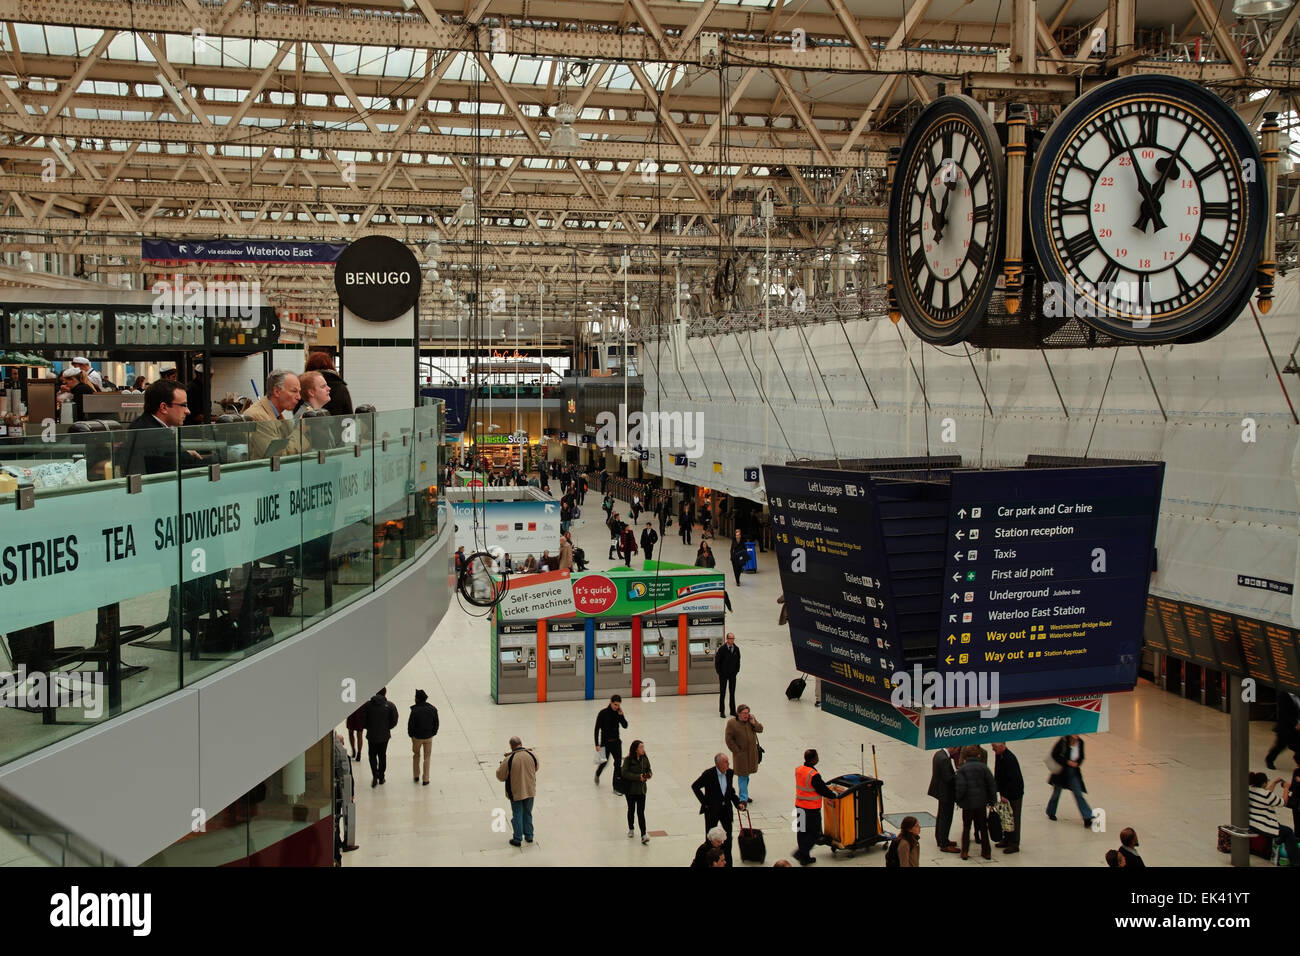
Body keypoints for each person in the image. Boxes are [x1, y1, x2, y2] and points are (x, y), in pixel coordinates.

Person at [120, 379, 203, 474]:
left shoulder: (140, 423)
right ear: (163, 407)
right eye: (183, 405)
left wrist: (185, 453)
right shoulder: (158, 435)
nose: (187, 411)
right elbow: (190, 463)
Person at [691, 753, 744, 867]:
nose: (728, 764)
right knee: (710, 839)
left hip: (726, 811)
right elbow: (695, 786)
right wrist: (705, 803)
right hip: (712, 811)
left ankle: (727, 863)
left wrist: (737, 803)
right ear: (719, 764)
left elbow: (730, 791)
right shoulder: (708, 774)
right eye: (726, 762)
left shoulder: (729, 773)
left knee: (728, 839)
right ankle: (710, 862)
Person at [243, 369, 305, 458]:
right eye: (294, 391)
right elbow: (278, 456)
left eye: (299, 392)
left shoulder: (277, 414)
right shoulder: (258, 417)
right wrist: (301, 430)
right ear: (277, 392)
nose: (299, 397)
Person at [793, 748, 839, 865]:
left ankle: (805, 858)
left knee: (802, 832)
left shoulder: (799, 770)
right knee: (814, 833)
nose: (818, 758)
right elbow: (822, 789)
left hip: (799, 806)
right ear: (813, 760)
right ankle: (801, 852)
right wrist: (833, 795)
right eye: (817, 756)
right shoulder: (814, 775)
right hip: (811, 809)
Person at [954, 744, 996, 860]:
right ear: (978, 755)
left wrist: (958, 800)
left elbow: (960, 787)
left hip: (967, 805)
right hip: (981, 803)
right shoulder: (984, 768)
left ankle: (965, 851)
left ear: (965, 756)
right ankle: (986, 852)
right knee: (983, 827)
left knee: (966, 828)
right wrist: (992, 801)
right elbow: (991, 785)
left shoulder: (962, 769)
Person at [495, 736, 539, 846]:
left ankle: (517, 838)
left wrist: (502, 765)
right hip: (529, 790)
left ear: (511, 746)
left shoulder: (509, 759)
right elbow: (536, 767)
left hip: (516, 792)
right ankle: (529, 836)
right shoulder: (532, 755)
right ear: (521, 743)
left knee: (517, 814)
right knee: (528, 812)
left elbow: (500, 776)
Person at [1249, 770, 1300, 864]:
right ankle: (1296, 861)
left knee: (1282, 830)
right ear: (1264, 783)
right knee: (1288, 831)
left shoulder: (1251, 790)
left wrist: (1275, 782)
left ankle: (1279, 842)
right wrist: (1286, 788)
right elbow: (1283, 802)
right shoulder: (1267, 795)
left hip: (1251, 823)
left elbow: (1267, 793)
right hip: (1263, 826)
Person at [1046, 734, 1094, 827]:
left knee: (1078, 794)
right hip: (1061, 772)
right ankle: (1050, 811)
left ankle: (1087, 817)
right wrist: (1067, 761)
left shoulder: (1080, 742)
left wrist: (1077, 763)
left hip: (1073, 772)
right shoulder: (1063, 741)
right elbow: (1054, 754)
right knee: (1056, 793)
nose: (1077, 735)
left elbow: (1082, 757)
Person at [725, 704, 764, 804]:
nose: (746, 715)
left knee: (746, 776)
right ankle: (743, 798)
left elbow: (760, 729)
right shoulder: (732, 723)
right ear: (738, 714)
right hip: (741, 756)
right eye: (744, 713)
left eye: (747, 713)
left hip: (751, 755)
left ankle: (744, 794)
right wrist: (737, 751)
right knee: (742, 776)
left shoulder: (750, 721)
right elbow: (728, 739)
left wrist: (754, 722)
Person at [363, 687, 398, 788]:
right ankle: (381, 777)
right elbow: (394, 720)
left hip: (372, 735)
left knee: (372, 755)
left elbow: (363, 720)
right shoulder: (390, 705)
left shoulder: (368, 705)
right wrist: (387, 728)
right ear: (385, 693)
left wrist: (369, 727)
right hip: (384, 736)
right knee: (382, 755)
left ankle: (375, 775)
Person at [992, 741, 1024, 854]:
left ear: (1002, 746)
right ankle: (1006, 839)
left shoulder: (1010, 759)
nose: (993, 750)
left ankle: (1014, 843)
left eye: (995, 747)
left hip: (1014, 794)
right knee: (1005, 817)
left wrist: (1006, 794)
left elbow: (1014, 780)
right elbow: (998, 774)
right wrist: (998, 791)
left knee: (1014, 818)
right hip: (1005, 792)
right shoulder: (999, 755)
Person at [927, 747, 961, 853]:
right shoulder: (945, 759)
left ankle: (941, 839)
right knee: (946, 818)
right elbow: (949, 778)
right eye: (957, 750)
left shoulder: (939, 754)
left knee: (941, 816)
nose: (957, 753)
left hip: (940, 790)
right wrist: (959, 774)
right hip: (945, 792)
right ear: (953, 748)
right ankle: (944, 844)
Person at [332, 733, 359, 858]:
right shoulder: (344, 758)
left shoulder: (335, 758)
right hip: (341, 793)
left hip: (339, 792)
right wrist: (351, 794)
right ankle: (341, 844)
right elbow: (349, 777)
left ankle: (340, 843)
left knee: (337, 819)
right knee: (338, 820)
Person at [621, 740, 653, 844]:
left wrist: (648, 775)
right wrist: (637, 777)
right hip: (630, 790)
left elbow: (649, 770)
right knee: (631, 809)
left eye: (643, 747)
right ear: (636, 749)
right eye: (641, 747)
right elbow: (624, 773)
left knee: (641, 812)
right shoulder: (628, 760)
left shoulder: (645, 760)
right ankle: (631, 828)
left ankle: (643, 834)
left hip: (641, 790)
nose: (643, 749)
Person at [594, 694, 628, 788]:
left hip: (616, 742)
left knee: (618, 763)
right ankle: (597, 773)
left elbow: (625, 725)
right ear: (611, 703)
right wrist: (597, 744)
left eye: (618, 705)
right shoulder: (603, 713)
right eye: (615, 705)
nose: (617, 707)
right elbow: (596, 729)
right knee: (603, 762)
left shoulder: (618, 713)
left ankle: (616, 786)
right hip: (605, 743)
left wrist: (621, 716)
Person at [305, 351, 353, 416]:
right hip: (338, 425)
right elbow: (349, 416)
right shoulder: (341, 388)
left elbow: (298, 416)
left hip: (309, 424)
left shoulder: (304, 385)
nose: (328, 389)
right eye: (323, 386)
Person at [407, 689, 439, 786]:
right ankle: (426, 779)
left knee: (416, 755)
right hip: (429, 736)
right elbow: (436, 723)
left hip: (417, 737)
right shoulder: (433, 709)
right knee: (427, 757)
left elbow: (410, 725)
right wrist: (433, 733)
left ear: (417, 699)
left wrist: (411, 735)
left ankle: (416, 775)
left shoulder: (415, 711)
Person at [1266, 691, 1300, 769]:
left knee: (1298, 747)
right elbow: (1284, 713)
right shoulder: (1284, 696)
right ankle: (1269, 760)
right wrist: (1295, 724)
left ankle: (1299, 764)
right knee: (1280, 746)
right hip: (1286, 728)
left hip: (1298, 729)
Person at [715, 632, 740, 719]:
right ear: (727, 639)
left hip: (732, 674)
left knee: (732, 693)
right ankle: (722, 711)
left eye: (733, 638)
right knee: (723, 693)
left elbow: (738, 661)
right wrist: (720, 672)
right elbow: (717, 662)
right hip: (723, 674)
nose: (732, 640)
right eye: (730, 638)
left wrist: (736, 671)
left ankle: (732, 711)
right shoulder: (722, 649)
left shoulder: (736, 649)